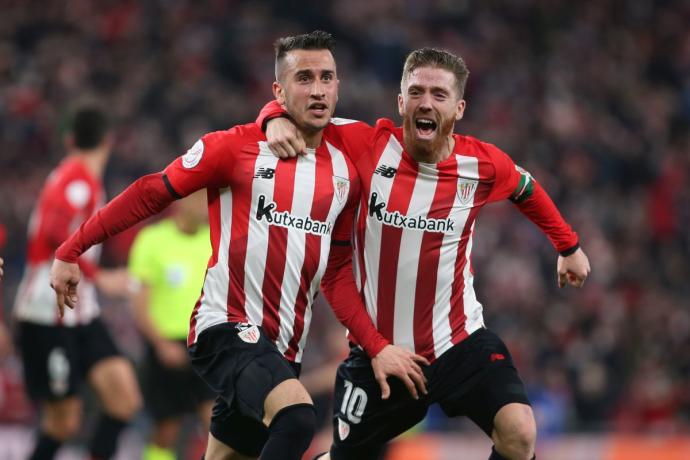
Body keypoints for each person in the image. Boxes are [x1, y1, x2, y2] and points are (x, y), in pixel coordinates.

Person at [49, 31, 428, 460]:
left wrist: (375, 346)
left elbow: (336, 273)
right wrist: (72, 249)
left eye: (327, 77)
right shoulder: (234, 147)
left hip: (283, 347)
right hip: (224, 327)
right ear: (279, 91)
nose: (319, 89)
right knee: (298, 417)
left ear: (339, 85)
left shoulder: (350, 158)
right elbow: (151, 192)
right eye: (304, 78)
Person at [259, 46, 591, 460]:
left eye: (439, 94)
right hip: (381, 353)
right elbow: (298, 112)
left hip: (459, 341)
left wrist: (568, 246)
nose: (426, 103)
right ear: (401, 101)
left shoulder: (482, 164)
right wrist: (271, 118)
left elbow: (527, 189)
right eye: (416, 92)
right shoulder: (365, 144)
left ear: (459, 107)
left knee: (519, 431)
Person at [12, 106, 142, 460]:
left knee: (123, 398)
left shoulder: (74, 176)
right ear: (107, 141)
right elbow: (56, 231)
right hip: (49, 311)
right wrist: (102, 277)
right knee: (63, 423)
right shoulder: (77, 181)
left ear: (70, 140)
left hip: (81, 312)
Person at [127, 190, 214, 460]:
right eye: (199, 198)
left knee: (216, 424)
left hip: (207, 344)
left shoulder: (216, 240)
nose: (204, 206)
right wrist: (161, 344)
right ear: (180, 201)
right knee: (166, 429)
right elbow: (139, 304)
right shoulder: (152, 240)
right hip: (165, 346)